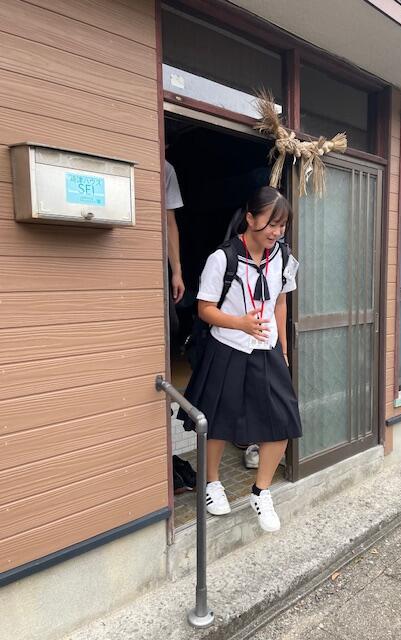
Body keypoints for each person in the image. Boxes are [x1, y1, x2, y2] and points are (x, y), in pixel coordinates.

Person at [178, 186, 302, 533]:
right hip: (227, 346)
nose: (276, 232)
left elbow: (280, 302)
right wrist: (240, 323)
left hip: (267, 349)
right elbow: (205, 309)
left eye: (282, 226)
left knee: (284, 421)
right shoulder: (223, 258)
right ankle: (212, 483)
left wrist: (284, 350)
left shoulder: (283, 257)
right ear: (250, 218)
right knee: (218, 420)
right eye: (271, 224)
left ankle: (260, 492)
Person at [165, 160, 185, 312]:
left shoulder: (166, 169)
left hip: (155, 257)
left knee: (171, 319)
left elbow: (169, 223)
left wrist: (177, 273)